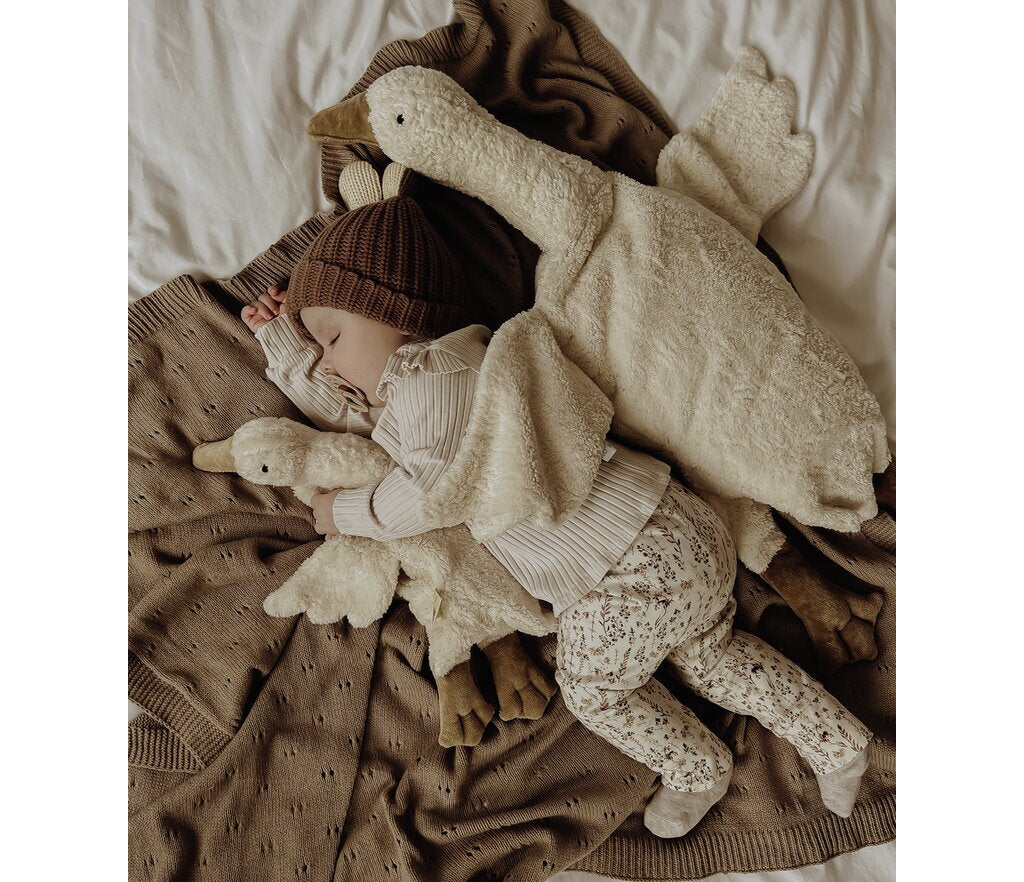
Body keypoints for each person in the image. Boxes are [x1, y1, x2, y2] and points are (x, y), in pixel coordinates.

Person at [240, 169, 871, 839]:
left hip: (620, 567)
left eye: (331, 340)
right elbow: (353, 410)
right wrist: (286, 344)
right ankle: (836, 740)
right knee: (712, 657)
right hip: (676, 534)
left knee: (592, 688)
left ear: (394, 308)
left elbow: (427, 493)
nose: (328, 363)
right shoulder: (441, 375)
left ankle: (696, 768)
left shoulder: (440, 382)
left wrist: (345, 514)